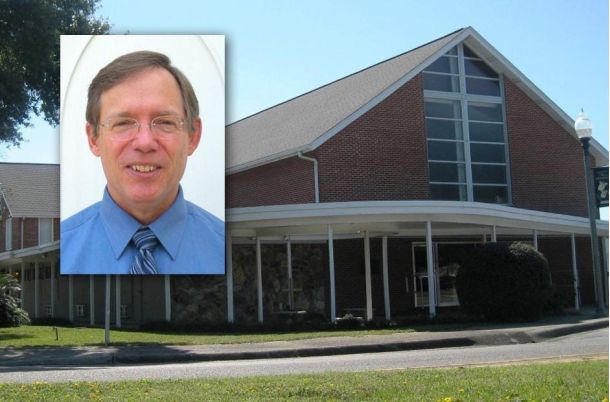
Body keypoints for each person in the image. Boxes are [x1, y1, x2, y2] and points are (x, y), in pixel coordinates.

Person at [61, 51, 224, 275]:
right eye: (123, 123)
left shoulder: (226, 248)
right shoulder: (62, 249)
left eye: (165, 122)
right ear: (93, 139)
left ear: (193, 136)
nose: (145, 142)